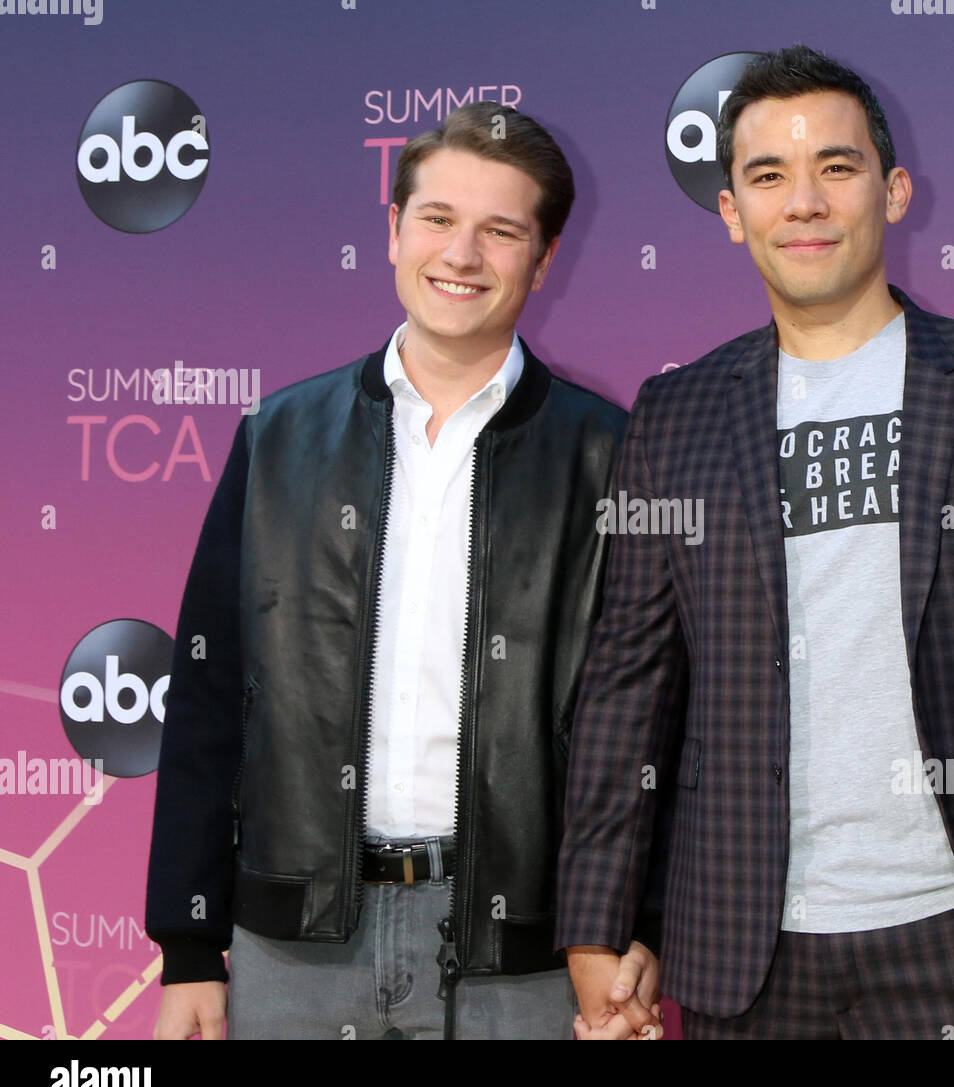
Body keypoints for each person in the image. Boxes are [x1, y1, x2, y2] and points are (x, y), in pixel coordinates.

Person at [557, 46, 954, 1039]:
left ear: (893, 188)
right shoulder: (676, 413)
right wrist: (598, 927)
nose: (805, 201)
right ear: (733, 212)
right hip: (748, 947)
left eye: (836, 165)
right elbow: (628, 680)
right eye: (768, 176)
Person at [145, 101, 637, 1039]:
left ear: (545, 256)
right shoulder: (278, 438)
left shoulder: (608, 455)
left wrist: (629, 930)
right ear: (392, 231)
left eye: (501, 230)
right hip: (292, 951)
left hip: (521, 957)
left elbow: (648, 723)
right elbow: (208, 700)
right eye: (438, 219)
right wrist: (189, 949)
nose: (462, 255)